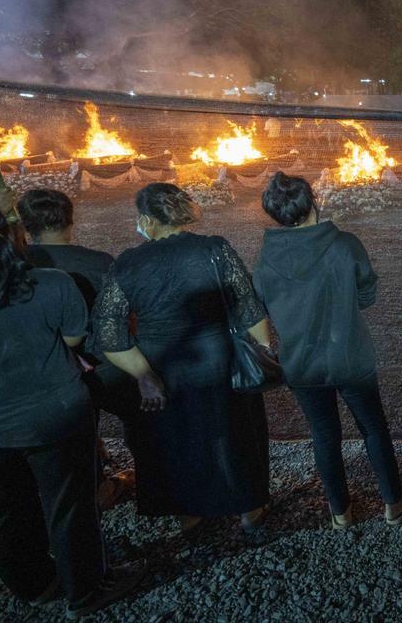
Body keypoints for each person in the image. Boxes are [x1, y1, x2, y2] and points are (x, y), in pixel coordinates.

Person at [0, 198, 144, 618]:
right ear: (11, 235)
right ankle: (87, 589)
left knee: (3, 513)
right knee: (70, 505)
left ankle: (34, 584)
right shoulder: (50, 283)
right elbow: (71, 342)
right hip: (53, 416)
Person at [92, 183, 273, 535]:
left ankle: (189, 514)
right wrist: (263, 350)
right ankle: (249, 508)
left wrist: (143, 374)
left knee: (175, 438)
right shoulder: (214, 249)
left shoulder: (128, 263)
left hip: (164, 363)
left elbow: (108, 332)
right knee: (235, 431)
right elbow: (248, 305)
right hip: (218, 358)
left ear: (146, 219)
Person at [252, 172, 402, 528]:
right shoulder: (344, 244)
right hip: (351, 356)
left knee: (324, 434)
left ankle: (340, 512)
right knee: (373, 427)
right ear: (313, 203)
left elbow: (261, 305)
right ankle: (394, 502)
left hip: (301, 363)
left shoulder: (266, 260)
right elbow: (367, 293)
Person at [16, 188, 139, 509]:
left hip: (48, 371)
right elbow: (126, 315)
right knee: (141, 416)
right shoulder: (98, 262)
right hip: (104, 365)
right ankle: (155, 478)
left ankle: (94, 483)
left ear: (26, 226)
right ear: (71, 219)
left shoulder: (15, 265)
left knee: (75, 435)